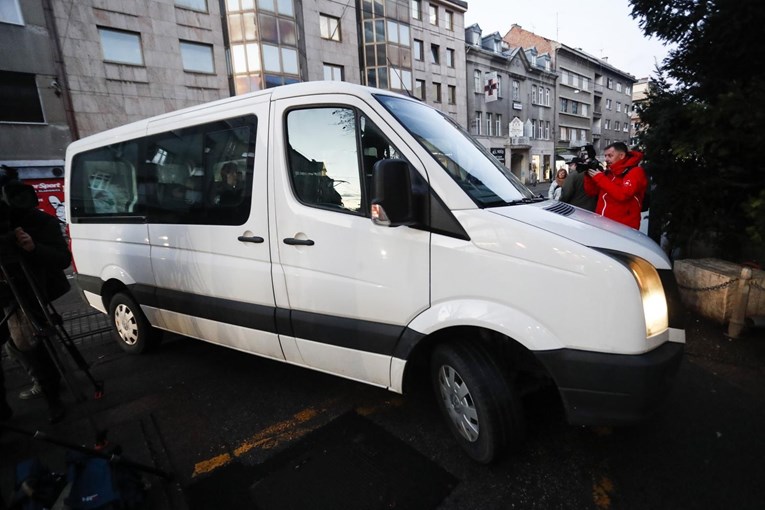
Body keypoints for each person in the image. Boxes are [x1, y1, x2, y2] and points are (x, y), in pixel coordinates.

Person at [0, 181, 71, 424]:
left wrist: (33, 248)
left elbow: (62, 259)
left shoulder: (38, 223)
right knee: (19, 346)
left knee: (35, 345)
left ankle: (52, 396)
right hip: (7, 292)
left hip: (27, 293)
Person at [584, 142, 648, 229]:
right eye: (605, 156)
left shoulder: (635, 172)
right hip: (603, 224)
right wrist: (589, 176)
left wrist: (600, 178)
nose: (606, 159)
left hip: (623, 228)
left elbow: (623, 195)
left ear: (621, 156)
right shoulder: (609, 173)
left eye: (610, 156)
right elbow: (591, 192)